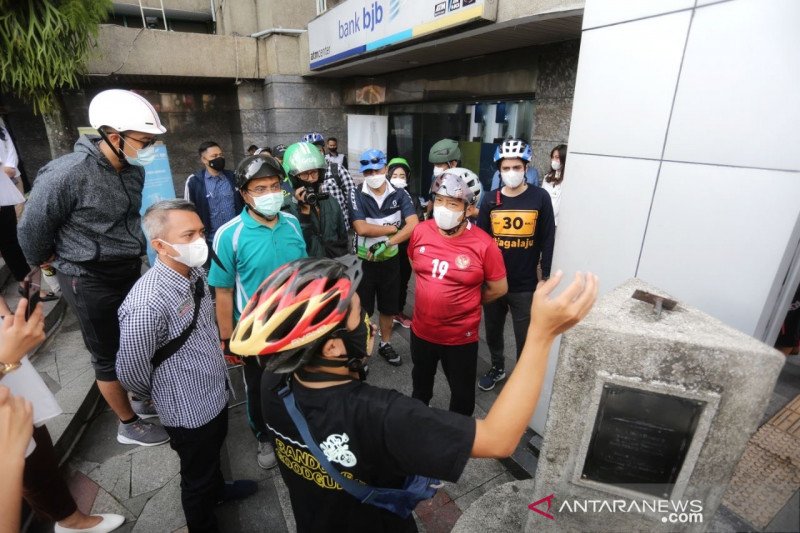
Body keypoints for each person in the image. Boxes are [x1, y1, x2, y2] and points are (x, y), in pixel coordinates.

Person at [229, 257, 596, 533]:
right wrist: (542, 335)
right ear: (333, 348)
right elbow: (499, 439)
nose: (370, 321)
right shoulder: (381, 415)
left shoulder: (274, 382)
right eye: (360, 314)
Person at [18, 89, 169, 446]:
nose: (149, 148)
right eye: (145, 141)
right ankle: (127, 423)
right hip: (87, 278)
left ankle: (139, 395)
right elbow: (31, 230)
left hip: (128, 268)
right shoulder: (67, 174)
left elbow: (129, 219)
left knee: (135, 339)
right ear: (114, 137)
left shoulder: (132, 170)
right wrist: (49, 261)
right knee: (106, 352)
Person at [117, 200, 257, 532]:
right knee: (196, 475)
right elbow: (129, 370)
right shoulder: (146, 302)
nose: (199, 241)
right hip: (186, 407)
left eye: (201, 232)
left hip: (213, 388)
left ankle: (219, 491)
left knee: (213, 454)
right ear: (160, 245)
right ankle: (202, 523)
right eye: (189, 234)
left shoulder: (193, 272)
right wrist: (157, 393)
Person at [209, 155, 307, 469]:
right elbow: (222, 292)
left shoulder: (292, 223)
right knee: (260, 389)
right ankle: (264, 436)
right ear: (244, 194)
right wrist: (227, 341)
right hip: (255, 332)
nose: (270, 193)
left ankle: (298, 426)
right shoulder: (229, 234)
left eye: (275, 186)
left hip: (294, 325)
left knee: (298, 379)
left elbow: (304, 272)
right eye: (260, 188)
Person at [1, 299, 125, 533]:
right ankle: (70, 520)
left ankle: (66, 515)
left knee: (36, 447)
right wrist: (5, 361)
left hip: (11, 386)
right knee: (31, 461)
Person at [409, 171, 507, 415]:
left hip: (459, 338)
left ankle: (457, 442)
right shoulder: (420, 231)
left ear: (469, 208)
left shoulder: (485, 244)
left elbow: (499, 288)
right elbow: (415, 263)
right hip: (421, 332)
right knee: (420, 388)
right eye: (439, 200)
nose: (443, 208)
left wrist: (468, 300)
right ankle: (417, 426)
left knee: (462, 397)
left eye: (453, 203)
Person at [477, 139, 556, 391]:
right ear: (499, 169)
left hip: (525, 284)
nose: (511, 172)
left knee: (524, 336)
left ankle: (522, 376)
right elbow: (480, 241)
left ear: (526, 167)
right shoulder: (490, 199)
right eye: (506, 167)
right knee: (492, 331)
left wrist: (546, 276)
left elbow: (547, 238)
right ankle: (498, 366)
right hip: (494, 281)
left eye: (516, 167)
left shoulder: (540, 197)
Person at [350, 149, 418, 366]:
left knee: (389, 307)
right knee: (364, 310)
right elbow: (361, 228)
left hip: (390, 260)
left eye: (377, 169)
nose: (373, 175)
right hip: (365, 261)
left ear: (385, 169)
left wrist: (388, 241)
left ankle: (385, 344)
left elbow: (414, 224)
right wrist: (391, 228)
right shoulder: (356, 192)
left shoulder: (400, 193)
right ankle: (363, 350)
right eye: (367, 171)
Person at [283, 142, 348, 258]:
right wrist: (304, 215)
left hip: (333, 265)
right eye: (304, 174)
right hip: (307, 269)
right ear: (294, 178)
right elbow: (292, 246)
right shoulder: (286, 209)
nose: (311, 179)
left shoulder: (330, 201)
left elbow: (342, 237)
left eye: (314, 172)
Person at [386, 157, 424, 329]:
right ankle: (387, 315)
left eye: (402, 175)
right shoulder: (383, 197)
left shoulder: (413, 198)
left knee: (403, 282)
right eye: (395, 175)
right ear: (388, 175)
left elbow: (419, 222)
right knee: (388, 282)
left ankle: (398, 312)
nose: (399, 178)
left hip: (406, 249)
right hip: (387, 248)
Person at [184, 141, 243, 250]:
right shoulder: (194, 181)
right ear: (204, 160)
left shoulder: (233, 177)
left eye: (221, 155)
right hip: (211, 240)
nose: (219, 158)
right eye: (214, 156)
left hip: (237, 236)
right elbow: (188, 212)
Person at [303, 132, 356, 231]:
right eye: (310, 152)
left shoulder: (338, 170)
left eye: (317, 150)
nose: (315, 154)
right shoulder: (301, 176)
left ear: (323, 150)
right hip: (315, 231)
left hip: (339, 229)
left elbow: (352, 198)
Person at [540, 144, 567, 227]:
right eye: (553, 157)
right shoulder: (547, 177)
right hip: (545, 220)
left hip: (559, 223)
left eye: (557, 157)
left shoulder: (567, 178)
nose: (554, 160)